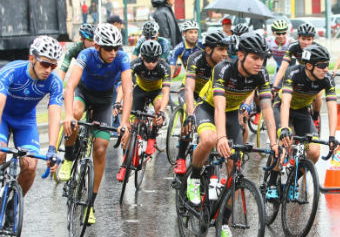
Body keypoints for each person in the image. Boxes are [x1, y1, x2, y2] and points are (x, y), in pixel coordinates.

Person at [187, 33, 278, 237]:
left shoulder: (261, 75)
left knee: (235, 171)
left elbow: (267, 110)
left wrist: (273, 143)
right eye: (254, 57)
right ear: (240, 55)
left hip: (231, 116)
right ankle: (194, 176)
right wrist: (221, 138)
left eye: (262, 58)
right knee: (209, 140)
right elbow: (218, 106)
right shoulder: (224, 69)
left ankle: (224, 223)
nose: (259, 63)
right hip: (208, 109)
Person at [59, 23, 132, 224]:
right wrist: (67, 116)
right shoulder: (87, 55)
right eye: (108, 48)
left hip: (104, 100)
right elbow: (71, 85)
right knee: (75, 113)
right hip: (84, 93)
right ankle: (68, 155)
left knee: (100, 148)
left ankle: (90, 204)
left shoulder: (122, 58)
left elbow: (128, 90)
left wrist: (124, 122)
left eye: (116, 47)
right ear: (98, 46)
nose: (113, 52)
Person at [267, 44, 337, 200]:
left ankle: (292, 180)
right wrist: (285, 128)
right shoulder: (294, 73)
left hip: (303, 112)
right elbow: (285, 103)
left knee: (314, 151)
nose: (326, 69)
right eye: (322, 65)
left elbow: (332, 109)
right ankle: (271, 183)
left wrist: (332, 136)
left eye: (328, 64)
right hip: (283, 108)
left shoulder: (327, 79)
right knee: (284, 145)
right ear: (309, 65)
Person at [0, 36, 63, 197]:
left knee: (30, 166)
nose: (49, 69)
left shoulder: (54, 82)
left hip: (25, 122)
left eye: (53, 65)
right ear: (31, 59)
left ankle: (12, 205)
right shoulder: (11, 72)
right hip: (3, 118)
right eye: (45, 64)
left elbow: (55, 114)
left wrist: (52, 148)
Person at [174, 31, 229, 174]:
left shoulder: (224, 64)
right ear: (209, 50)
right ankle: (180, 157)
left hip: (207, 98)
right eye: (221, 49)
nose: (225, 53)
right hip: (190, 93)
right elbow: (189, 87)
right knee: (189, 118)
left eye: (226, 49)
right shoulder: (195, 58)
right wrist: (191, 113)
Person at [116, 40, 171, 181]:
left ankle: (152, 136)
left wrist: (162, 111)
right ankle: (124, 164)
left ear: (159, 58)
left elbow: (165, 92)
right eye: (147, 60)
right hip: (140, 91)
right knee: (131, 126)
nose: (151, 64)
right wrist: (118, 102)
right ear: (141, 57)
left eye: (154, 60)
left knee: (158, 106)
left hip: (156, 91)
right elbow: (125, 86)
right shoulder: (135, 65)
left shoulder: (164, 67)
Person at [272, 23, 322, 130]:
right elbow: (283, 66)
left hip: (315, 74)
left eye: (309, 39)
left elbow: (322, 70)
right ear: (298, 38)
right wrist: (275, 86)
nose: (306, 42)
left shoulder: (318, 49)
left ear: (313, 39)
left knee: (317, 95)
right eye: (303, 39)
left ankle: (316, 116)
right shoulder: (293, 47)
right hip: (301, 71)